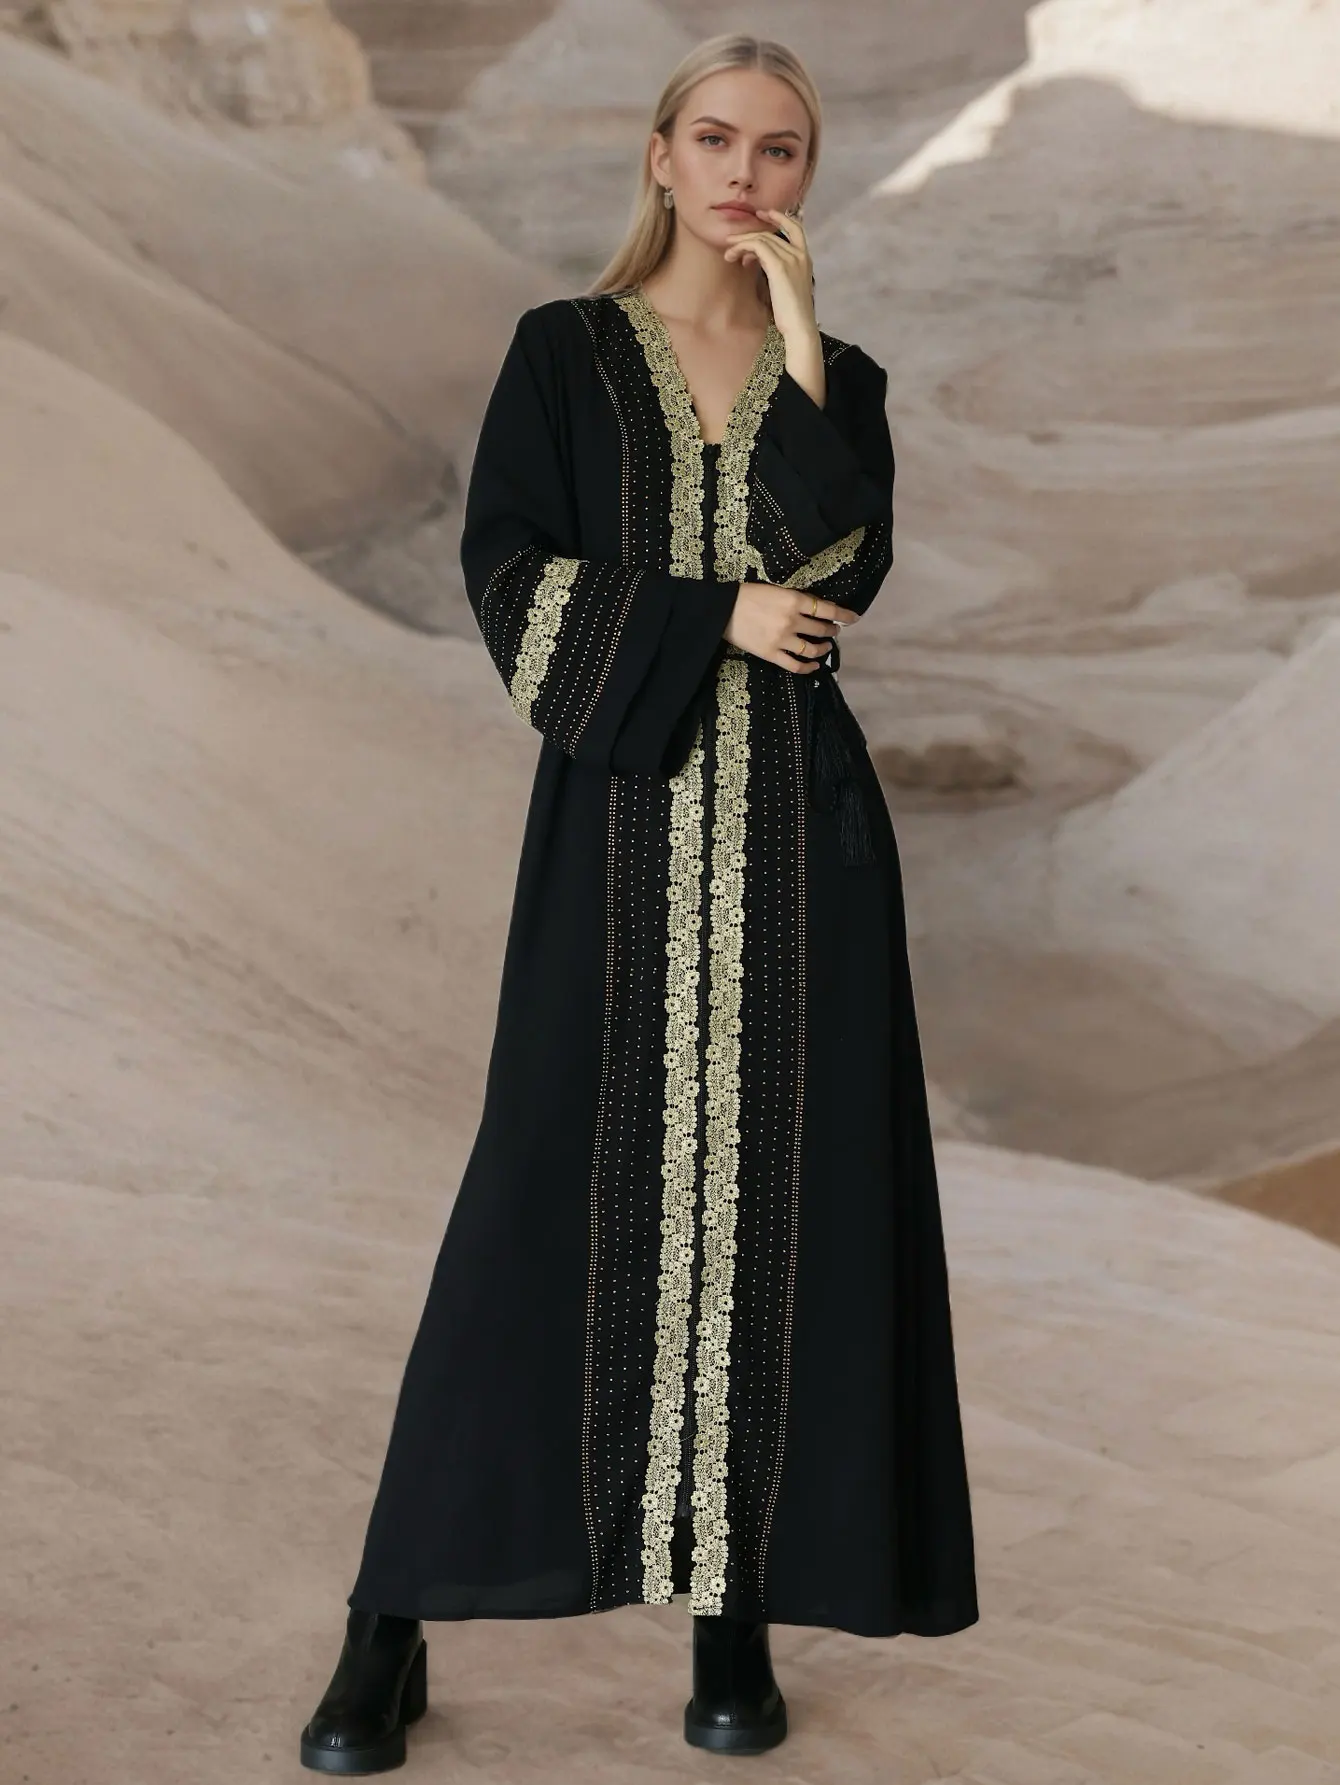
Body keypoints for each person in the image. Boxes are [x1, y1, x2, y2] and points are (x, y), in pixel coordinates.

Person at [299, 30, 978, 1774]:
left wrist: (802, 341)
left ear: (808, 176)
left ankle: (732, 1617)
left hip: (804, 852)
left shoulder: (844, 380)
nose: (748, 174)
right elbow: (509, 575)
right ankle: (391, 1622)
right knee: (534, 1215)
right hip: (619, 838)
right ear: (662, 156)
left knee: (784, 1223)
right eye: (717, 139)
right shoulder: (565, 355)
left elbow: (842, 570)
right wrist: (713, 618)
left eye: (782, 148)